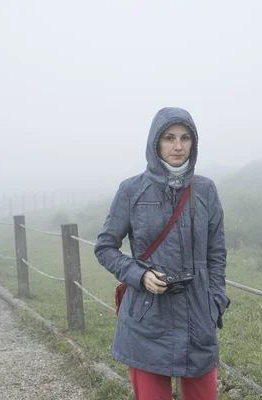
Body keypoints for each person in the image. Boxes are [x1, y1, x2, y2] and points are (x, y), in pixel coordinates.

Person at [95, 107, 230, 400]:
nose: (178, 146)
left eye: (185, 138)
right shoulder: (132, 190)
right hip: (147, 319)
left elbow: (216, 253)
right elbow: (105, 246)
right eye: (169, 138)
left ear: (194, 144)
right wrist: (139, 275)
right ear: (155, 142)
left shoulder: (206, 190)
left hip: (198, 317)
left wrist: (215, 302)